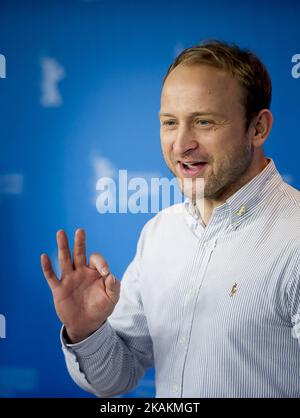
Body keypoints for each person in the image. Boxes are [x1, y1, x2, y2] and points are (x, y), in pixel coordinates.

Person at [41, 40, 300, 398]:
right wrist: (86, 330)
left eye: (204, 121)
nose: (180, 145)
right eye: (169, 123)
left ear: (258, 128)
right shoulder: (160, 233)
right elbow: (118, 375)